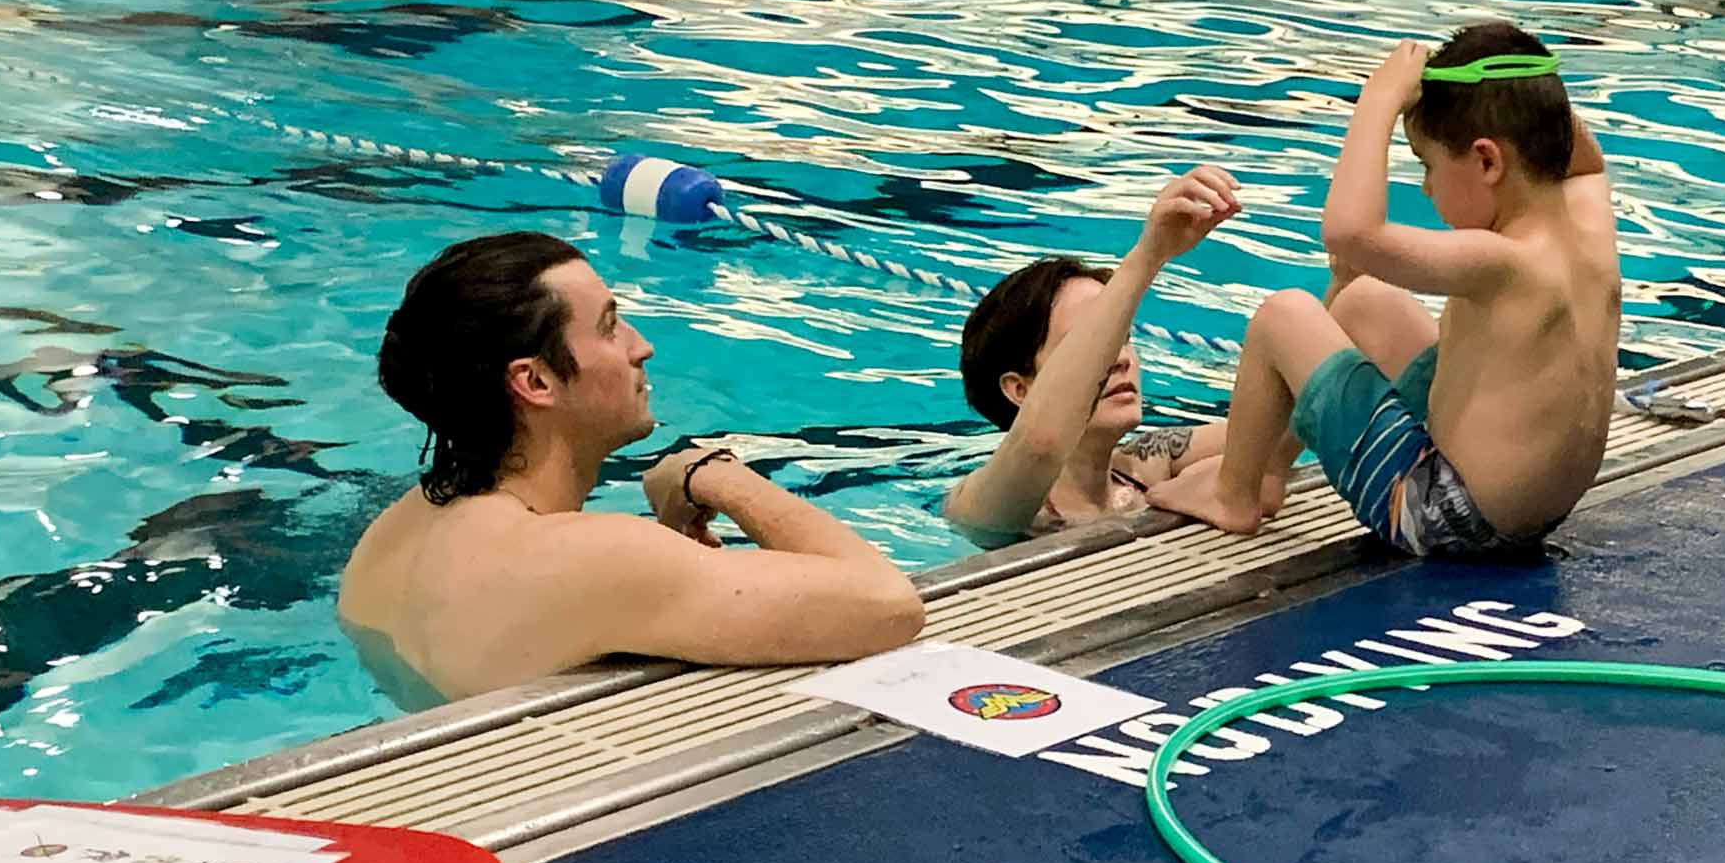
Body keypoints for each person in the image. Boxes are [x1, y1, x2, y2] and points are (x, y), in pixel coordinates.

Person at [338, 232, 925, 706]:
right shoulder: (586, 556)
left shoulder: (393, 533)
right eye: (610, 326)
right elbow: (889, 605)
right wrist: (716, 475)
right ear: (536, 382)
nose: (641, 346)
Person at [1150, 22, 1621, 557]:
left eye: (1429, 167)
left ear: (1487, 161)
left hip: (1445, 516)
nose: (1425, 186)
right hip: (1529, 513)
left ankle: (1231, 494)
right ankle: (1268, 469)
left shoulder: (1507, 263)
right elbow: (1584, 157)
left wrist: (1379, 100)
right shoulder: (1587, 220)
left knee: (1284, 314)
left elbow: (1351, 234)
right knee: (1364, 302)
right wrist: (1511, 82)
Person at [944, 168, 1243, 540]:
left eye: (1124, 337)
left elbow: (1291, 418)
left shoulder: (1144, 467)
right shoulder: (984, 501)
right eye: (1091, 346)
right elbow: (1041, 444)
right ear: (1020, 389)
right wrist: (1150, 255)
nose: (1121, 359)